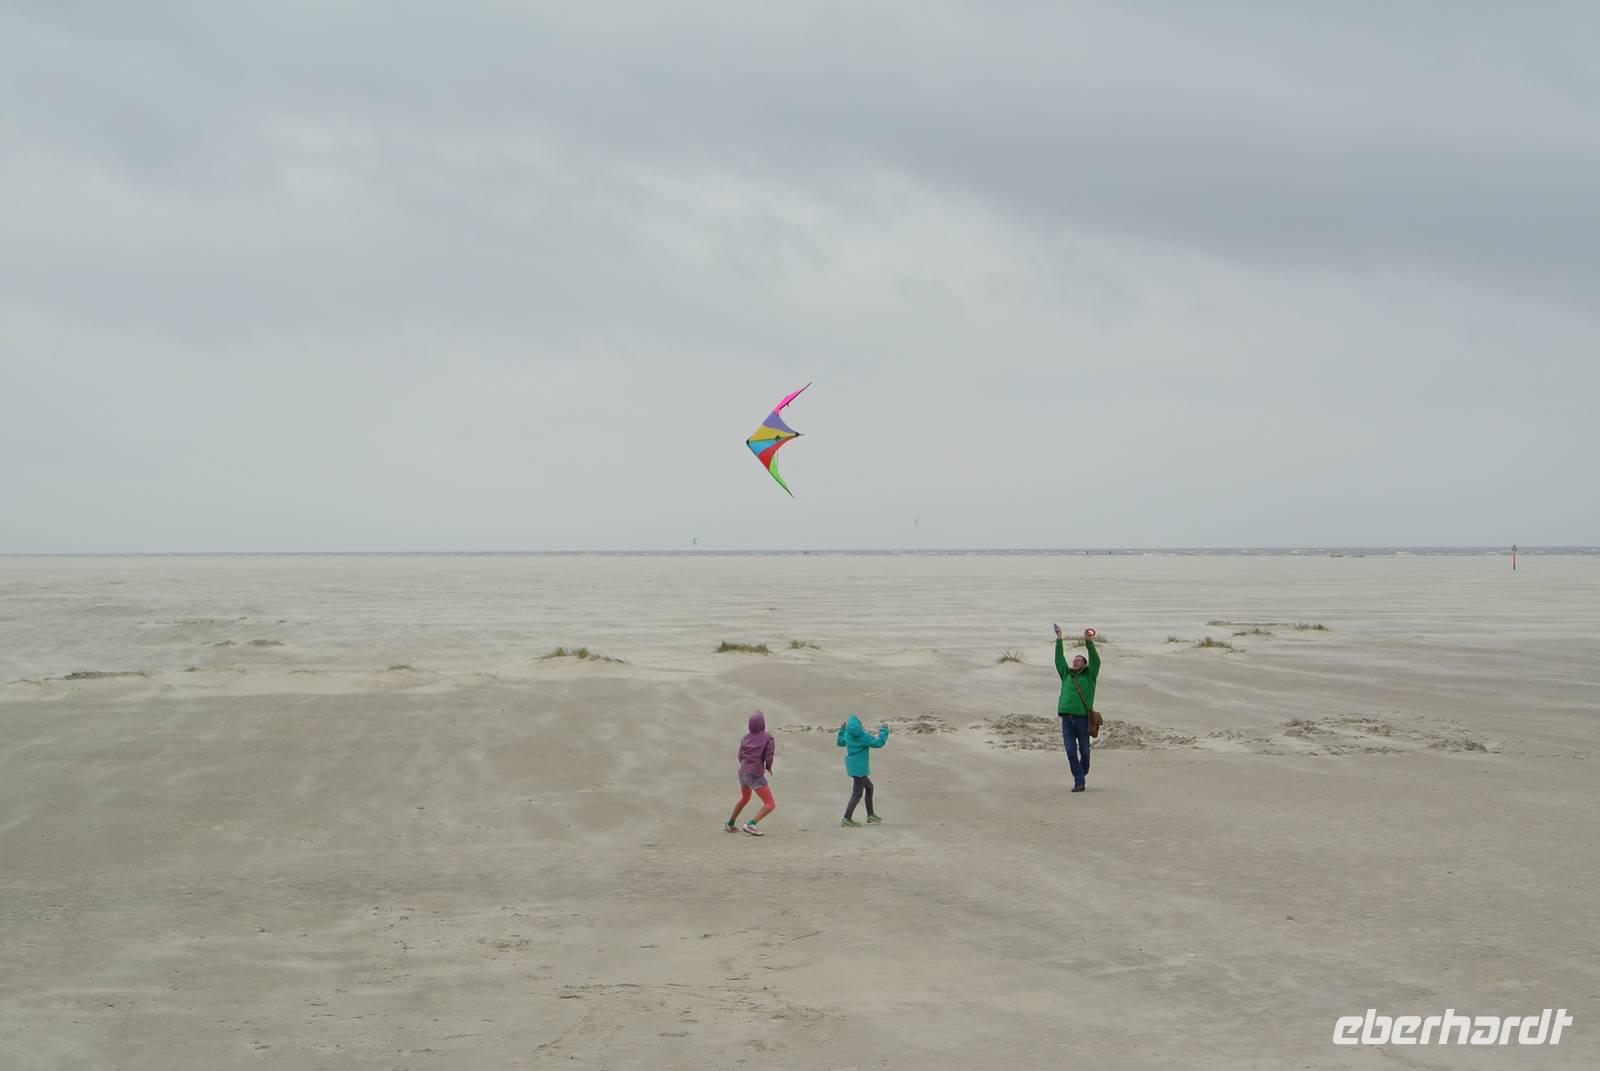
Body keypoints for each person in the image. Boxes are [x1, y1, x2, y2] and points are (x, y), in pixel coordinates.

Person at [1054, 625, 1101, 792]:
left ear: (1085, 665)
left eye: (1079, 660)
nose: (1075, 661)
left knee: (1085, 752)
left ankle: (1082, 771)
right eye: (1074, 660)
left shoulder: (1090, 676)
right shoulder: (1066, 674)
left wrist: (1088, 642)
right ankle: (1079, 781)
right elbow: (1059, 659)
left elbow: (1096, 660)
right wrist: (1059, 638)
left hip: (1082, 720)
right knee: (1070, 752)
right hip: (1066, 719)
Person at [726, 711, 776, 836]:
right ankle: (750, 824)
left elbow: (740, 756)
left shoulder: (745, 738)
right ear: (763, 724)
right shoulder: (768, 738)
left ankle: (730, 824)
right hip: (755, 774)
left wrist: (745, 766)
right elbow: (769, 755)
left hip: (743, 772)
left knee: (745, 798)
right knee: (770, 804)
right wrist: (768, 767)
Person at [836, 714, 890, 827]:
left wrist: (841, 730)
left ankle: (870, 815)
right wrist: (884, 730)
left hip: (853, 767)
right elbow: (879, 743)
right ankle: (846, 818)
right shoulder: (863, 736)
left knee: (869, 788)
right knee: (857, 794)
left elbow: (840, 742)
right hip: (860, 769)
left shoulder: (848, 735)